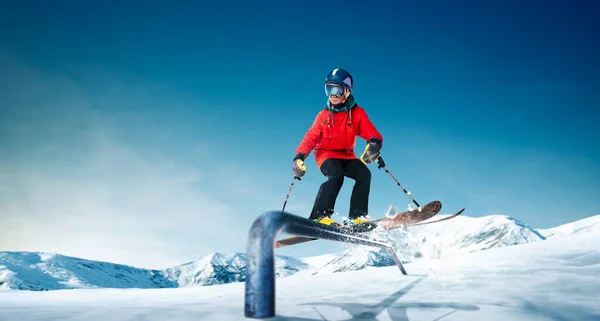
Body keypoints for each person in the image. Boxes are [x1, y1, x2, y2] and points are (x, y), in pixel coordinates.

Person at [292, 68, 383, 226]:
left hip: (347, 155)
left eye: (338, 90)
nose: (333, 95)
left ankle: (357, 217)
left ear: (347, 91)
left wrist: (374, 145)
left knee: (364, 174)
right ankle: (319, 216)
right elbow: (311, 137)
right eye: (329, 90)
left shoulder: (358, 113)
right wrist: (299, 156)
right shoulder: (323, 116)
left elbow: (371, 132)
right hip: (325, 155)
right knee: (336, 175)